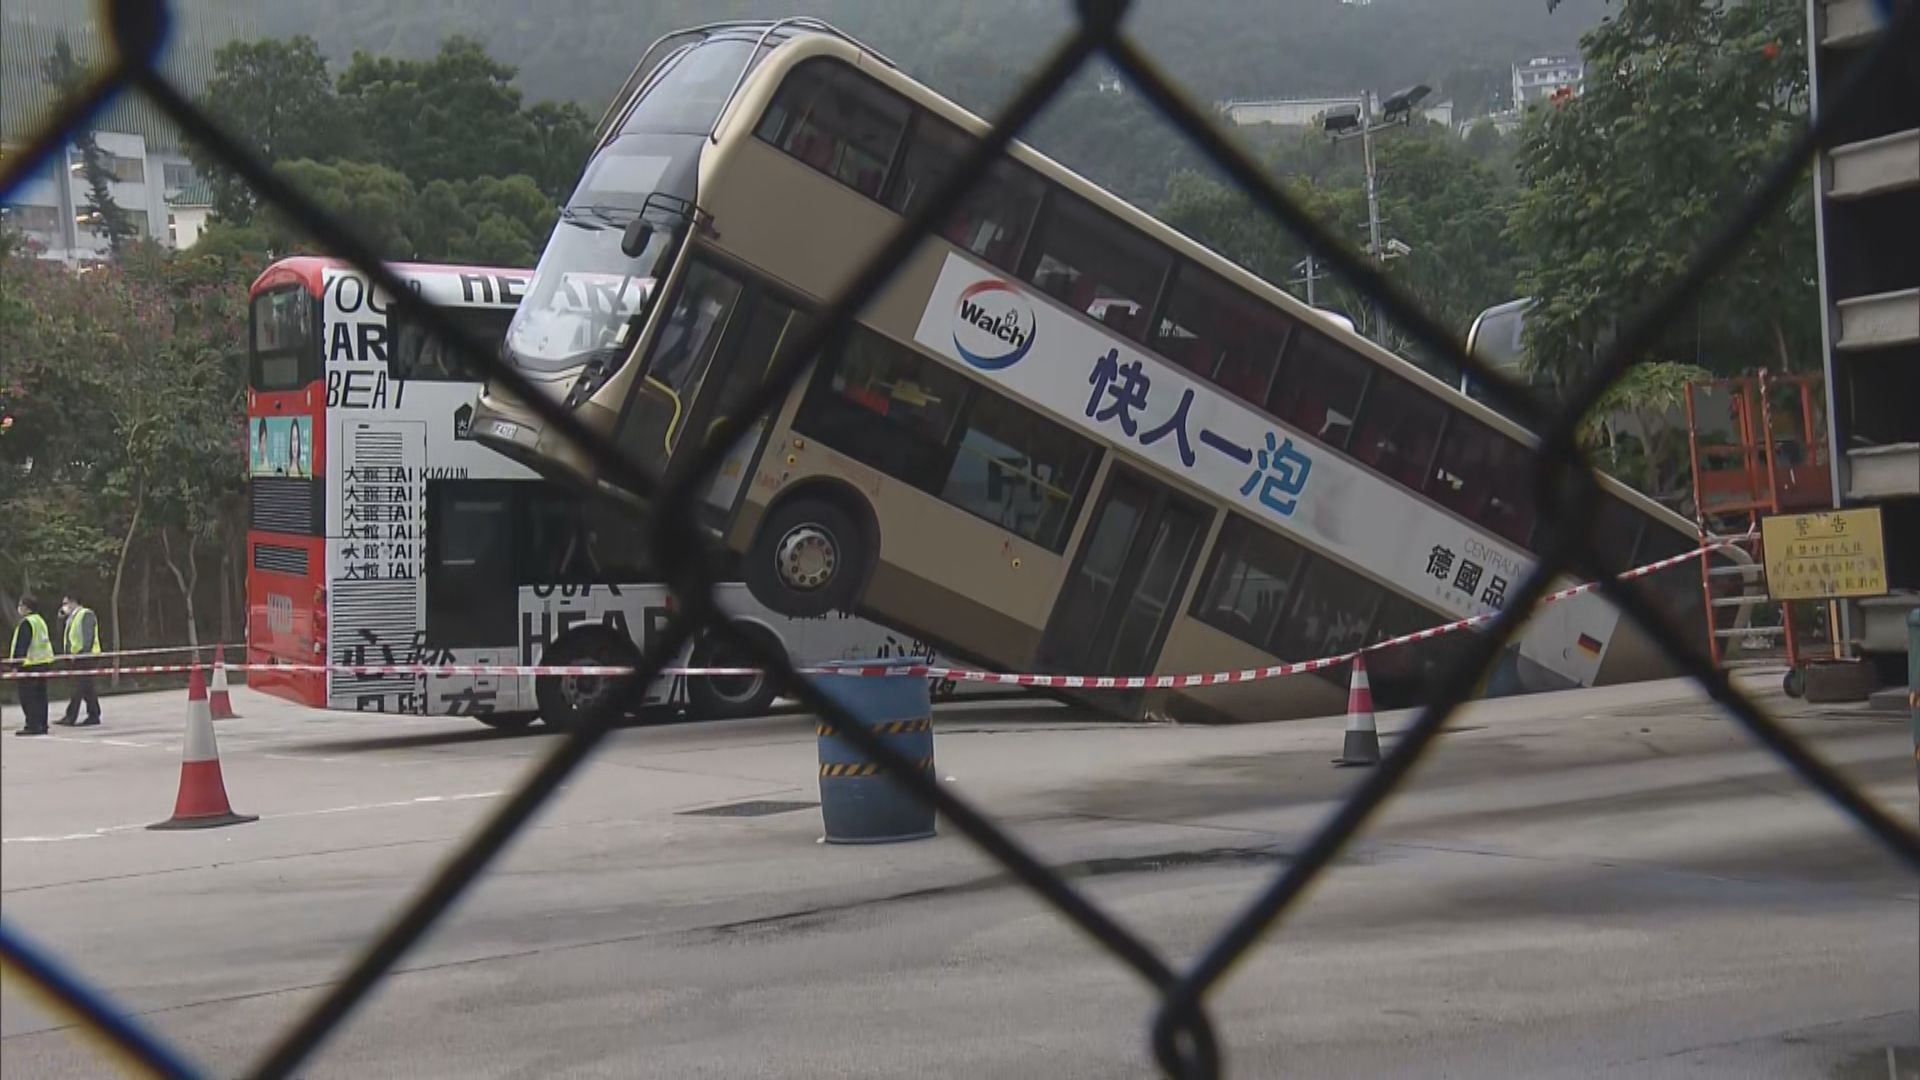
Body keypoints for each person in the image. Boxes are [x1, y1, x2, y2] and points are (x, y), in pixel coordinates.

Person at [10, 596, 55, 736]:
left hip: (29, 665)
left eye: (21, 605)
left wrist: (15, 665)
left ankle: (33, 725)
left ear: (26, 607)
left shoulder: (27, 623)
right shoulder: (40, 621)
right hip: (43, 663)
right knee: (41, 696)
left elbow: (22, 645)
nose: (19, 608)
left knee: (28, 697)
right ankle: (42, 724)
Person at [56, 592, 102, 727]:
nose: (64, 606)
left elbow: (88, 637)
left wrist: (82, 654)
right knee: (87, 687)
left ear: (73, 602)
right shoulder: (71, 618)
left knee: (78, 687)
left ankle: (71, 716)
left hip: (85, 657)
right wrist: (60, 619)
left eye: (65, 603)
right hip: (75, 657)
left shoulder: (85, 614)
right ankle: (94, 714)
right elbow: (63, 636)